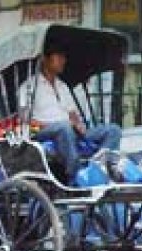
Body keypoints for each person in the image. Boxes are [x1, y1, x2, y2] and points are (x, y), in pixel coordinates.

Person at [18, 40, 121, 183]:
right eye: (59, 57)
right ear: (45, 59)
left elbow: (72, 114)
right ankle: (75, 174)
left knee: (113, 130)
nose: (63, 61)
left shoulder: (62, 86)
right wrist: (52, 125)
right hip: (42, 131)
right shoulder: (28, 87)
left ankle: (99, 167)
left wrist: (79, 126)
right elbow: (24, 120)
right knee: (63, 127)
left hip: (69, 131)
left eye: (64, 57)